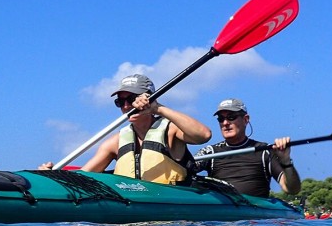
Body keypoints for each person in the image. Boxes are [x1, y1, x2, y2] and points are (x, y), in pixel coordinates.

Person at [40, 74, 212, 185]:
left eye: (132, 99)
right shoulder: (115, 142)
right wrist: (53, 176)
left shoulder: (170, 130)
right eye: (120, 102)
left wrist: (157, 108)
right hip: (132, 215)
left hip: (173, 219)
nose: (126, 106)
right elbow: (83, 177)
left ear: (148, 98)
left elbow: (203, 135)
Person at [194, 98, 301, 198]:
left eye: (231, 117)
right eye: (221, 119)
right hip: (222, 212)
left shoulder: (265, 151)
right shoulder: (210, 152)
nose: (225, 123)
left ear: (246, 119)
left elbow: (292, 189)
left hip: (254, 215)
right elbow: (184, 169)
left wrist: (286, 161)